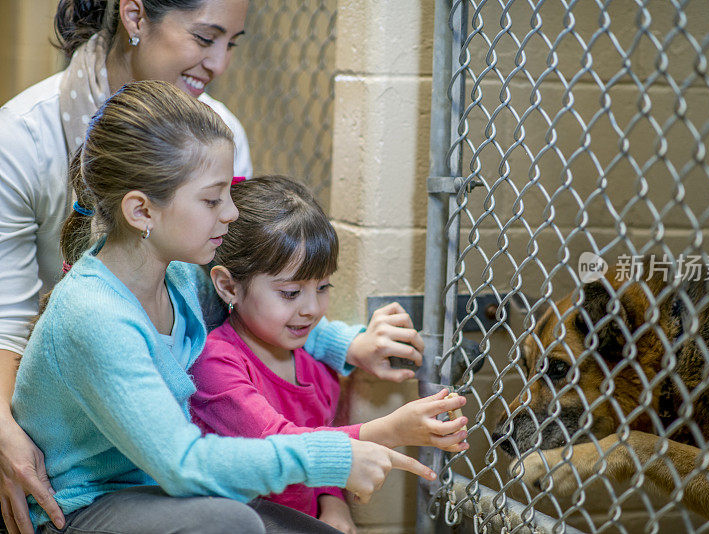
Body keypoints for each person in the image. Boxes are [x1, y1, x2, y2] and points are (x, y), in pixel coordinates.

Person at [0, 2, 421, 532]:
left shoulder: (181, 279)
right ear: (141, 211)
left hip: (152, 489)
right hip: (80, 504)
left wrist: (347, 346)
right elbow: (183, 465)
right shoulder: (94, 314)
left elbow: (259, 307)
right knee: (231, 522)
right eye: (213, 200)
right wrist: (335, 456)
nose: (232, 213)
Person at [188, 176, 470, 533]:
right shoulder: (217, 362)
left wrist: (333, 502)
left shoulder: (315, 367)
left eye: (322, 288)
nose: (311, 308)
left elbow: (322, 440)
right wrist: (390, 430)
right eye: (290, 293)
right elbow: (280, 444)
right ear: (229, 286)